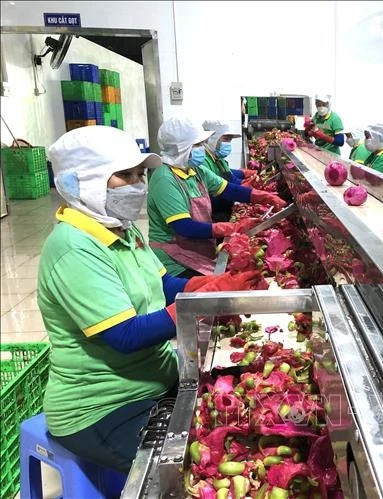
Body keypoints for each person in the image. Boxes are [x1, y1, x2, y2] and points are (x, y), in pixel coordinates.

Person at [40, 125, 267, 474]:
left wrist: (213, 284)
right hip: (103, 406)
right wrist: (202, 303)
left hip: (155, 376)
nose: (138, 185)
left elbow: (163, 285)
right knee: (198, 467)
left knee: (243, 417)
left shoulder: (122, 228)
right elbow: (126, 336)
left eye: (139, 174)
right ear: (80, 183)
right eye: (123, 176)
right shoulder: (74, 248)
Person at [148, 117, 285, 278]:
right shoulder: (165, 179)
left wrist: (265, 197)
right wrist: (232, 228)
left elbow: (228, 189)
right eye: (197, 145)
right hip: (173, 261)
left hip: (195, 249)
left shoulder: (195, 170)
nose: (202, 149)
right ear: (182, 148)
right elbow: (184, 227)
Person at [200, 120, 256, 186]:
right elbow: (218, 188)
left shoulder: (219, 159)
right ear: (212, 139)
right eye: (226, 139)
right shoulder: (203, 162)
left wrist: (246, 178)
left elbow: (230, 178)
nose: (228, 143)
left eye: (230, 140)